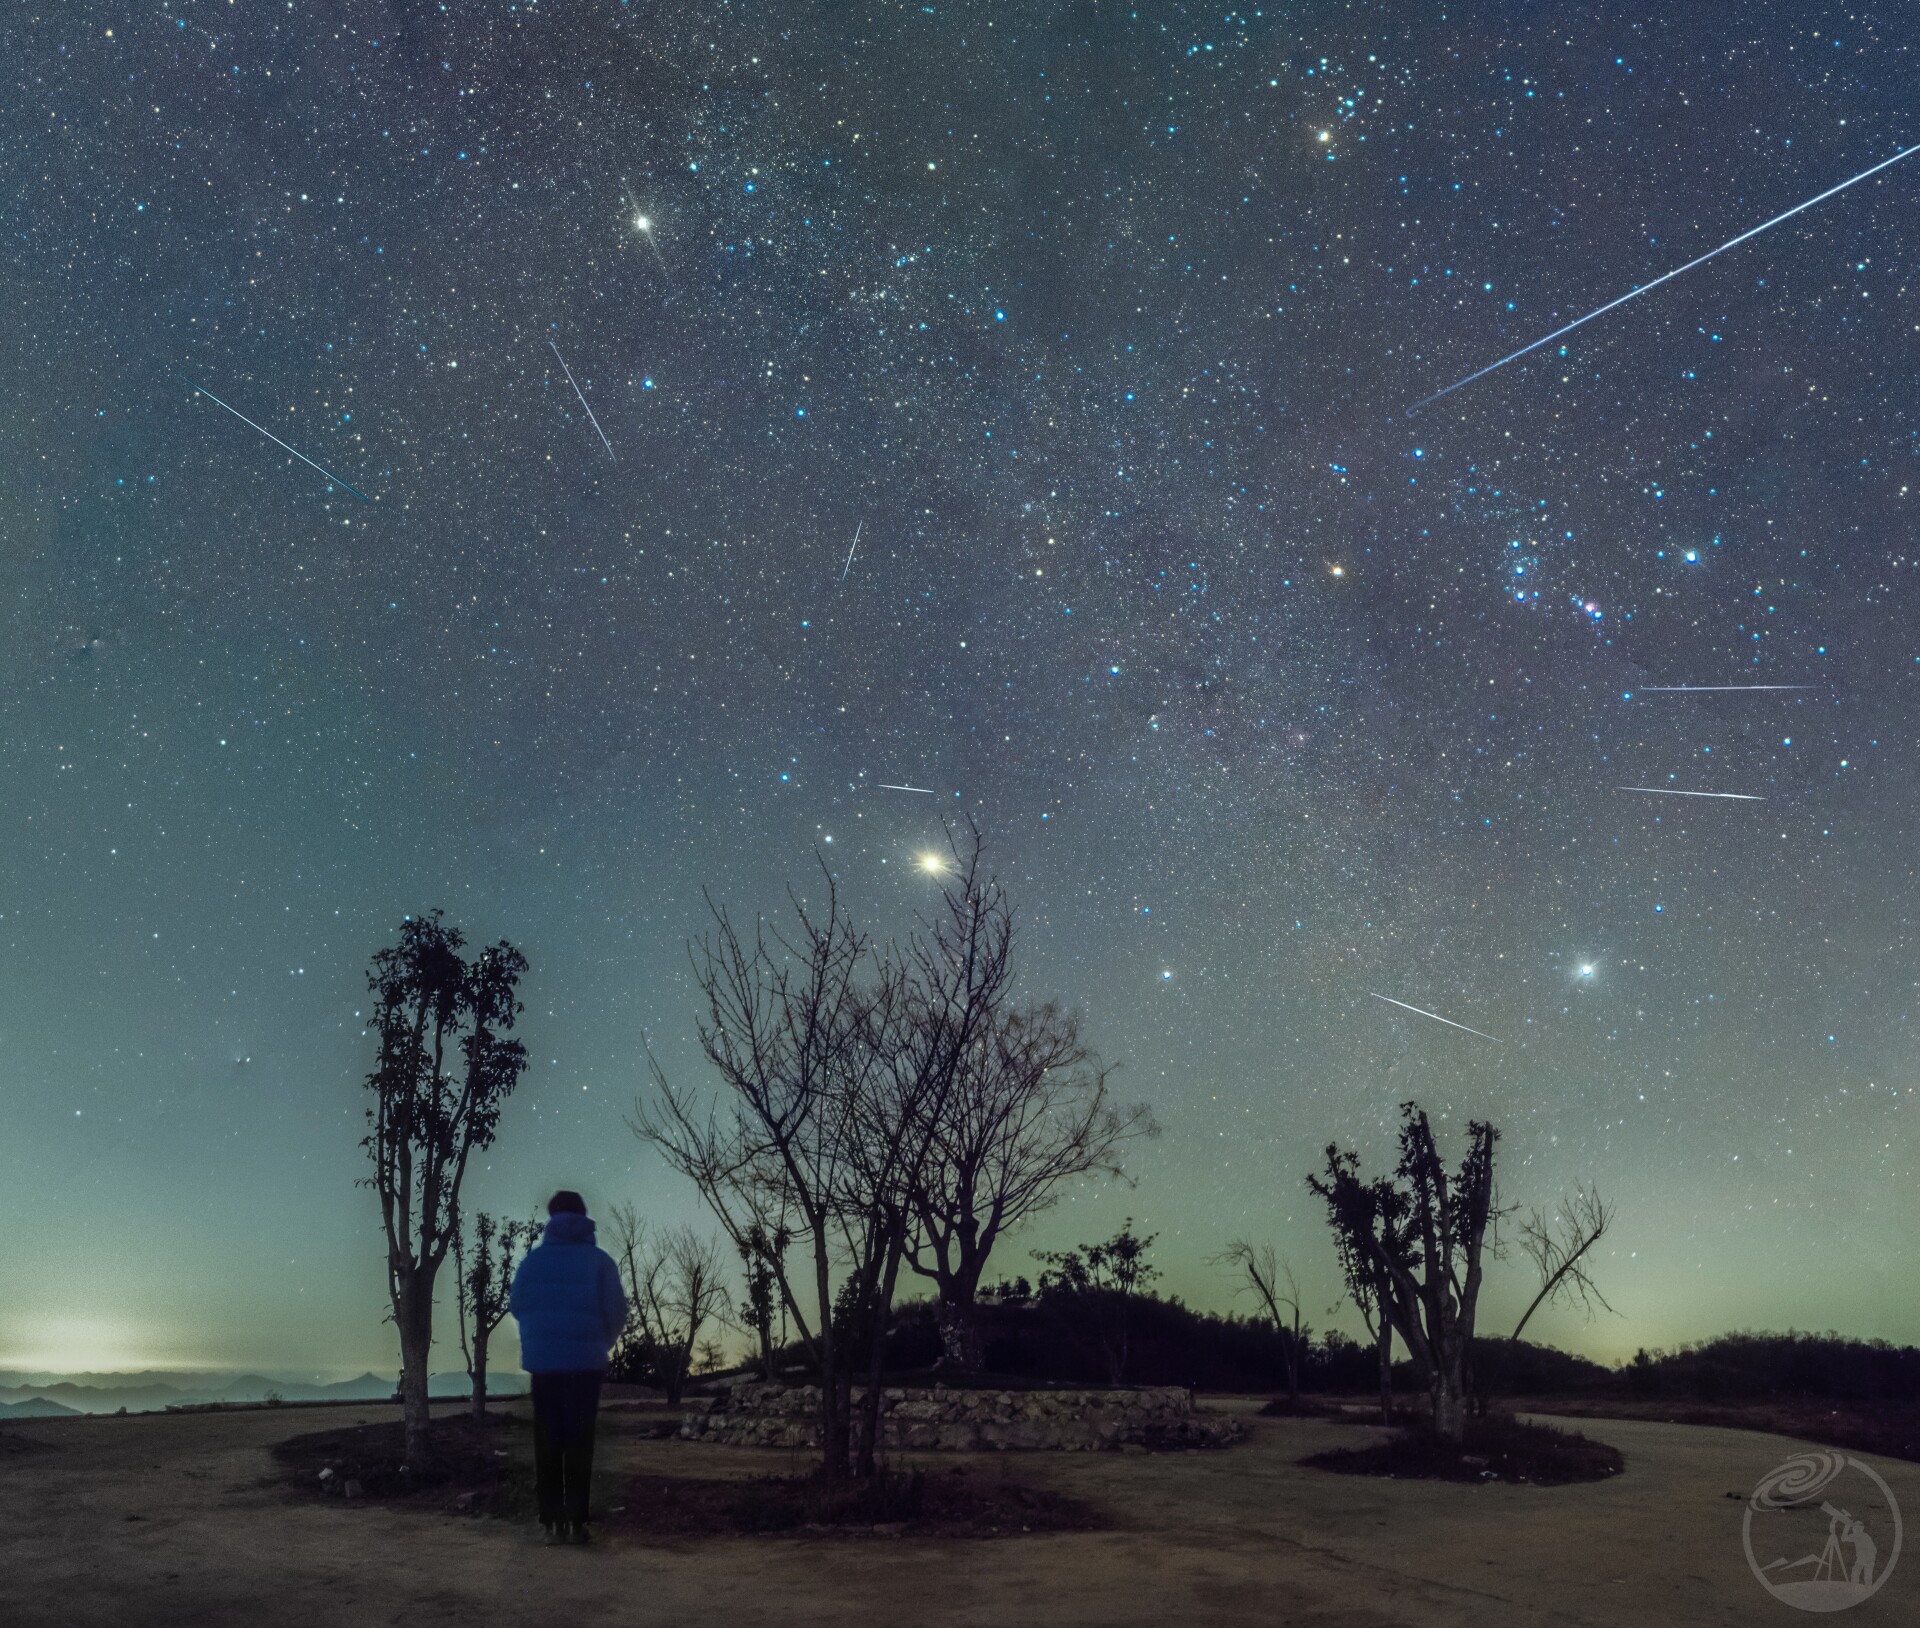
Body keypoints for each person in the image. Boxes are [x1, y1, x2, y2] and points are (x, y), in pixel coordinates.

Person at [509, 1190, 628, 1545]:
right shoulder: (601, 1262)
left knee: (548, 1441)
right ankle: (576, 1523)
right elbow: (617, 1312)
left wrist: (538, 1337)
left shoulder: (532, 1262)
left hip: (544, 1365)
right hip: (586, 1366)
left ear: (551, 1219)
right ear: (583, 1217)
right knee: (580, 1441)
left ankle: (551, 1522)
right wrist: (599, 1343)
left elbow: (517, 1305)